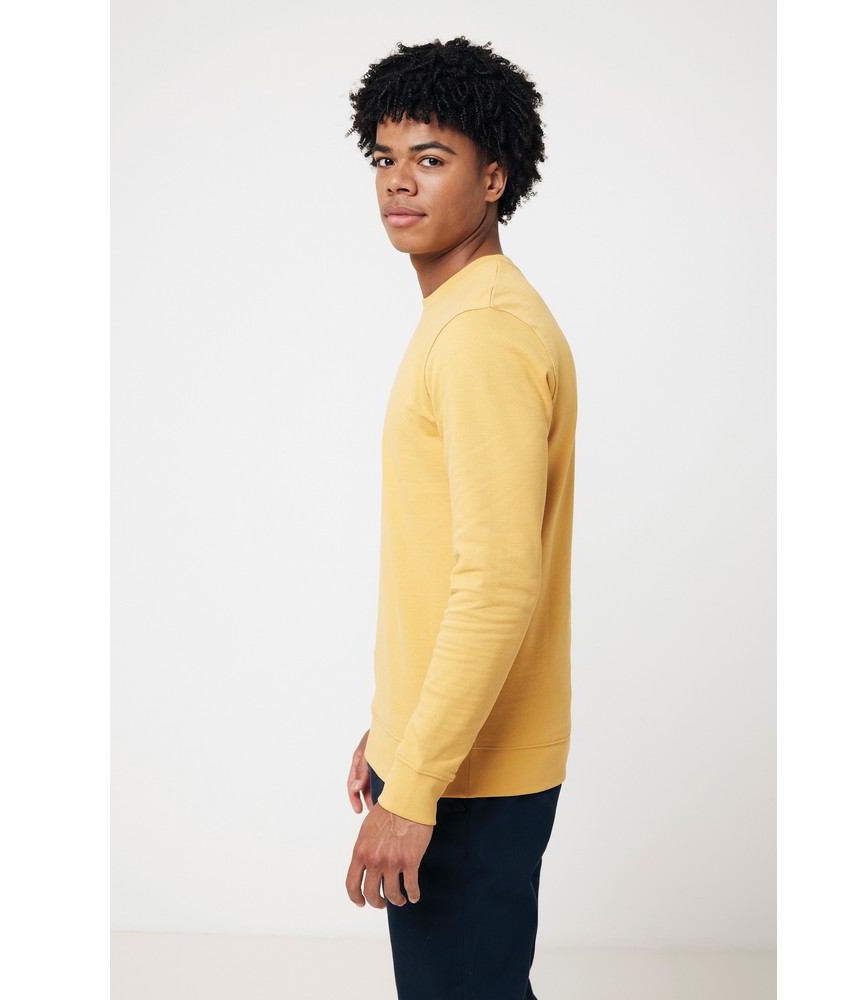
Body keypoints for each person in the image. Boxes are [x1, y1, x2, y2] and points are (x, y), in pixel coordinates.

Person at [342, 36, 578, 1000]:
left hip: (468, 777)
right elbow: (446, 559)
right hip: (450, 757)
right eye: (385, 158)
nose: (399, 182)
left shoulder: (481, 332)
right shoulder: (464, 312)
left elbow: (498, 582)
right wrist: (395, 728)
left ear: (493, 178)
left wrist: (416, 784)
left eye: (431, 158)